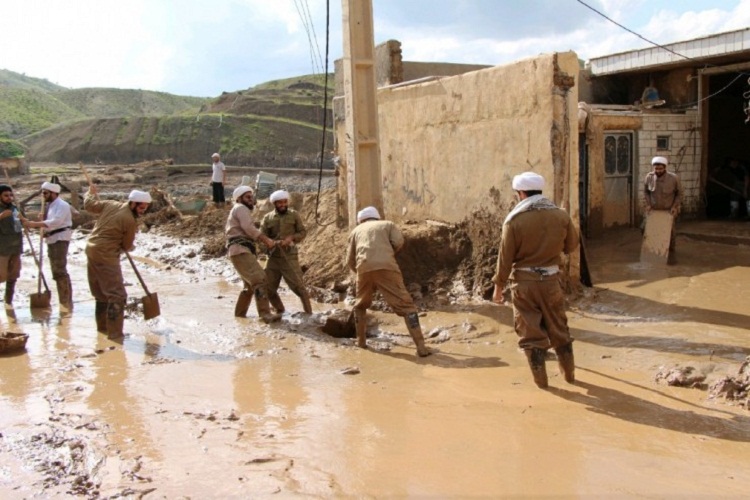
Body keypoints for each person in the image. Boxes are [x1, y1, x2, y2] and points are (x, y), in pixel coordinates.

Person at [491, 172, 579, 389]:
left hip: (524, 284)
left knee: (530, 335)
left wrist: (498, 288)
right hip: (551, 282)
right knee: (559, 330)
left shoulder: (513, 220)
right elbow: (571, 246)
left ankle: (543, 386)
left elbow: (505, 259)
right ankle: (570, 378)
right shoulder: (561, 216)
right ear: (540, 191)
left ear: (521, 194)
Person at [346, 206, 430, 357]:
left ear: (361, 220)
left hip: (363, 268)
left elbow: (350, 259)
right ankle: (421, 347)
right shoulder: (388, 225)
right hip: (387, 267)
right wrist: (387, 253)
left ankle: (361, 342)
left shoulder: (355, 231)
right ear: (377, 217)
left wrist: (360, 272)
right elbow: (398, 241)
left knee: (360, 305)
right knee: (407, 307)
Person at [84, 186, 152, 339]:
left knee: (101, 294)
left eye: (145, 208)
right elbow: (127, 246)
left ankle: (102, 330)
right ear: (133, 204)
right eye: (141, 207)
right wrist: (129, 245)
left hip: (91, 249)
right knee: (117, 295)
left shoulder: (110, 204)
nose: (143, 211)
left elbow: (89, 205)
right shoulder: (129, 220)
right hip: (106, 255)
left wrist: (90, 193)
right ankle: (115, 335)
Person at [225, 185, 282, 323]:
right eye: (247, 197)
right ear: (239, 199)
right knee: (260, 279)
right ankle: (265, 314)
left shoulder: (238, 210)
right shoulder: (241, 208)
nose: (251, 200)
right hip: (241, 250)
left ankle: (239, 315)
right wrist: (266, 240)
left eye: (251, 197)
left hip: (238, 251)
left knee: (249, 287)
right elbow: (248, 228)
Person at [20, 181, 74, 310]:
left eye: (45, 193)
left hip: (60, 239)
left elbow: (56, 222)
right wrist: (43, 226)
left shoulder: (62, 205)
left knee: (59, 271)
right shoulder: (50, 205)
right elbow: (49, 223)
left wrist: (34, 224)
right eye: (42, 193)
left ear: (54, 193)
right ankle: (65, 300)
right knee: (57, 271)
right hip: (52, 239)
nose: (43, 195)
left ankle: (65, 301)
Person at [260, 190, 312, 314]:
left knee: (299, 287)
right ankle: (280, 310)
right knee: (268, 289)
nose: (283, 205)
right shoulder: (267, 218)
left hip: (290, 256)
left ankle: (309, 313)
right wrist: (270, 243)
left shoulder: (294, 215)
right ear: (274, 204)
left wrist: (291, 238)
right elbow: (261, 236)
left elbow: (302, 232)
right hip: (273, 257)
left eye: (285, 202)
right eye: (280, 203)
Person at [643, 156, 682, 262]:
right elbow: (646, 192)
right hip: (654, 210)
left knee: (670, 234)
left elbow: (679, 194)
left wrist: (675, 207)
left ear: (665, 168)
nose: (658, 171)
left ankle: (671, 254)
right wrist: (648, 204)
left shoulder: (673, 178)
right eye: (656, 169)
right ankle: (654, 252)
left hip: (668, 211)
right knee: (645, 230)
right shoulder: (649, 177)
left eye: (660, 169)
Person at [0, 184, 23, 308]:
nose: (9, 198)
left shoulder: (15, 208)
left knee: (13, 275)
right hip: (2, 249)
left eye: (10, 195)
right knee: (1, 275)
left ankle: (8, 302)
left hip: (16, 248)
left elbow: (23, 223)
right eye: (5, 195)